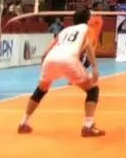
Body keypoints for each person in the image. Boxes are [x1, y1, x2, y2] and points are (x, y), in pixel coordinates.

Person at [18, 8, 104, 137]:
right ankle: (88, 125)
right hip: (68, 60)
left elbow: (47, 50)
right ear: (88, 19)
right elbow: (89, 49)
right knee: (93, 90)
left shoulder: (65, 30)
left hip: (50, 59)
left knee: (40, 91)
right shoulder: (87, 29)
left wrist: (44, 63)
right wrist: (95, 68)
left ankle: (23, 123)